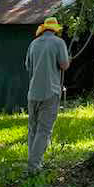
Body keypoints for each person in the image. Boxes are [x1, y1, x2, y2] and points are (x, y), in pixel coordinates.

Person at [25, 16, 70, 172]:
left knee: (33, 129)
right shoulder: (59, 43)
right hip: (50, 92)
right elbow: (64, 65)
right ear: (55, 30)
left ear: (44, 29)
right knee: (44, 130)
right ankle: (33, 166)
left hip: (32, 93)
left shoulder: (33, 44)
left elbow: (28, 67)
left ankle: (33, 162)